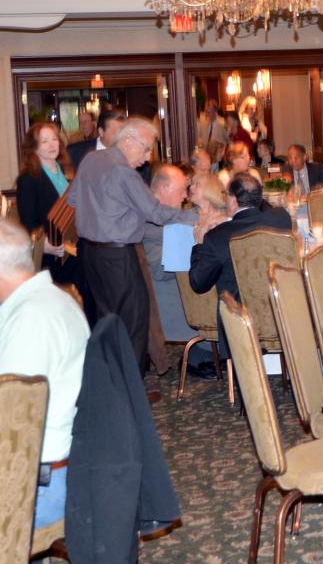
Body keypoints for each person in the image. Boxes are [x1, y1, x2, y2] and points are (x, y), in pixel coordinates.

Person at [68, 117, 191, 370]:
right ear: (127, 140)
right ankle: (131, 383)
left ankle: (112, 378)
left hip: (89, 254)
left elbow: (73, 200)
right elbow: (156, 213)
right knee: (134, 320)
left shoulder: (90, 159)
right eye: (146, 149)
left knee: (108, 320)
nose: (147, 158)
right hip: (117, 257)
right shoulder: (123, 172)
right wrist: (195, 218)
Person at [0, 219, 90, 531]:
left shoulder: (31, 322)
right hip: (48, 468)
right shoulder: (51, 299)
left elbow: (11, 421)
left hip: (36, 488)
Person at [141, 165, 212, 379]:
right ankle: (208, 354)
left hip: (181, 290)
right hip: (174, 299)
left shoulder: (165, 215)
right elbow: (161, 271)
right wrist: (198, 249)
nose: (185, 196)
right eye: (182, 190)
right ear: (164, 188)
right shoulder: (149, 222)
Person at [188, 172, 293, 310]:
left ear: (233, 200)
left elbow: (198, 283)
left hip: (240, 316)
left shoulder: (216, 237)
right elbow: (263, 208)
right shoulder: (281, 217)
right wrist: (228, 218)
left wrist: (198, 243)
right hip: (280, 310)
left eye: (225, 195)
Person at [16, 122, 76, 284]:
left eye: (54, 139)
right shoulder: (28, 178)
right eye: (44, 141)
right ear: (33, 148)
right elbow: (27, 224)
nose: (52, 144)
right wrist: (44, 247)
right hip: (51, 256)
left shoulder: (65, 172)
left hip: (71, 245)